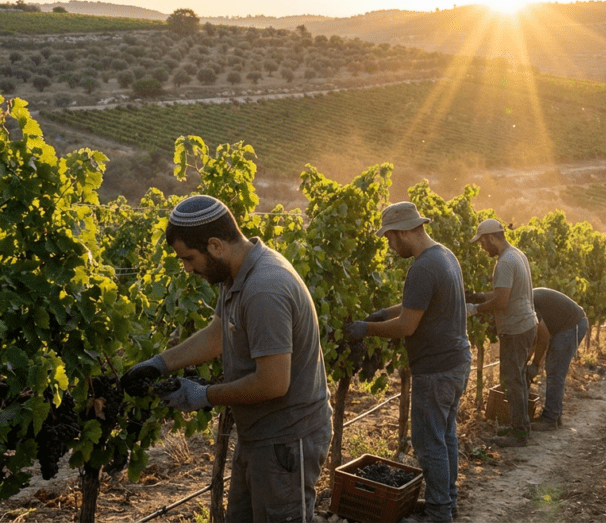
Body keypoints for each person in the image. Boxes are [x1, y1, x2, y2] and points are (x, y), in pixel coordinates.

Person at [122, 195, 332, 522]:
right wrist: (159, 363)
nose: (187, 269)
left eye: (189, 258)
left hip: (288, 438)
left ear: (216, 245)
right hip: (258, 433)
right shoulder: (236, 274)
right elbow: (216, 334)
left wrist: (203, 396)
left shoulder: (265, 288)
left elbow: (274, 382)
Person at [345, 202, 471, 523]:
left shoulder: (423, 268)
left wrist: (365, 329)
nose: (389, 245)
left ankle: (439, 513)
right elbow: (413, 305)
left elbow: (406, 327)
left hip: (436, 369)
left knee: (429, 443)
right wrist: (383, 313)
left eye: (389, 238)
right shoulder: (444, 255)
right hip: (456, 361)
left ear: (402, 232)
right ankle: (448, 502)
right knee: (445, 436)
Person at [466, 218, 538, 447]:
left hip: (516, 328)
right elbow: (504, 292)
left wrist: (475, 309)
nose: (482, 247)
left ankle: (519, 433)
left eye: (483, 242)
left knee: (512, 380)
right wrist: (477, 296)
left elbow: (502, 301)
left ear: (491, 238)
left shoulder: (505, 262)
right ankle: (520, 425)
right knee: (515, 378)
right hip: (526, 324)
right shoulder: (517, 254)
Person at [526, 287, 588, 431]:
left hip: (572, 325)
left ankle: (550, 419)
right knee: (554, 369)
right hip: (569, 324)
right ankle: (554, 415)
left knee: (554, 371)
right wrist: (527, 361)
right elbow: (534, 339)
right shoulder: (526, 299)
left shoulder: (528, 304)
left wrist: (535, 364)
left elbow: (544, 338)